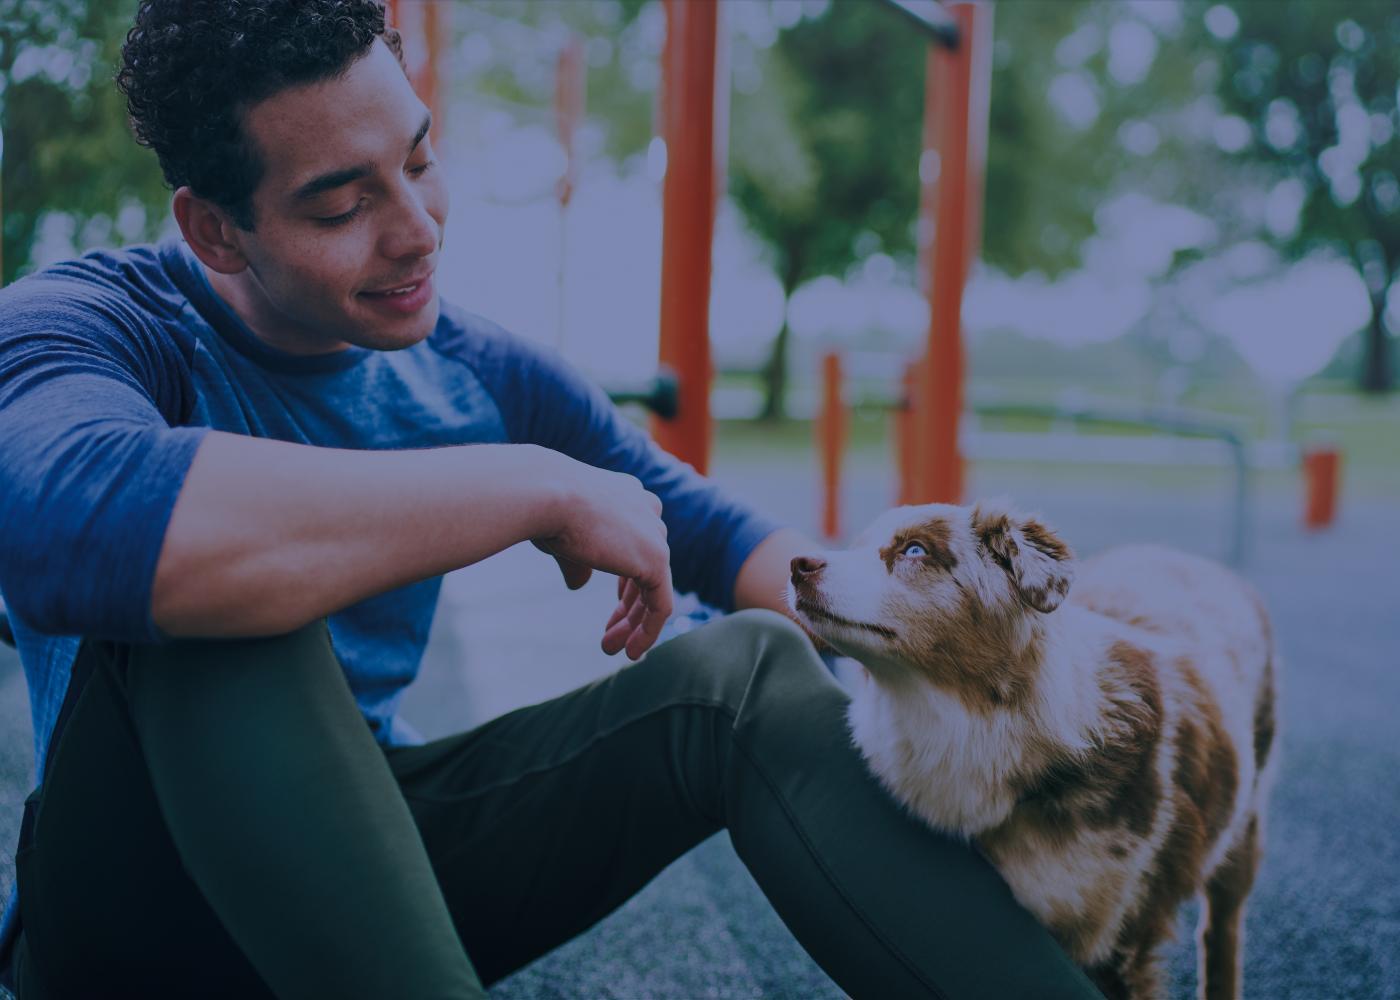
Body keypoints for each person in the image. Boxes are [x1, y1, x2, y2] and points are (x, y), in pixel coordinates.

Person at [0, 2, 1102, 997]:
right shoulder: (90, 326)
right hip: (132, 922)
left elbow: (708, 533)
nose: (417, 227)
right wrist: (528, 483)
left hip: (373, 857)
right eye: (342, 203)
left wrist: (993, 644)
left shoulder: (477, 369)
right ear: (214, 230)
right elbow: (75, 523)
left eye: (419, 161)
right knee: (219, 584)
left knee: (742, 670)